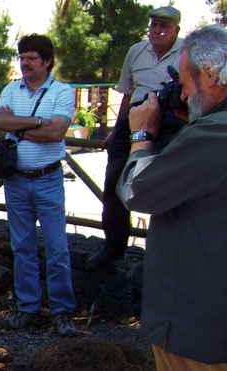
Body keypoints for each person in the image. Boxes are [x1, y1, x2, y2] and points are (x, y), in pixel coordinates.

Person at [117, 25, 227, 369]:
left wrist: (141, 134)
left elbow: (138, 191)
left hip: (196, 329)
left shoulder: (212, 134)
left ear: (209, 76)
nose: (181, 94)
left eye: (185, 82)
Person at [0, 34, 77, 336]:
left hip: (48, 179)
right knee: (22, 247)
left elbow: (58, 133)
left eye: (31, 58)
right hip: (16, 181)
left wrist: (19, 125)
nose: (24, 63)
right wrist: (39, 122)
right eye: (22, 57)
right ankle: (27, 308)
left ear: (47, 61)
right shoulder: (11, 89)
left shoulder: (62, 91)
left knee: (57, 248)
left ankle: (62, 311)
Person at [90, 6, 184, 269]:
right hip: (135, 116)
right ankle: (114, 246)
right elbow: (128, 94)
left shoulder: (187, 52)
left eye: (163, 26)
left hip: (172, 120)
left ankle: (163, 251)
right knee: (115, 181)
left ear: (177, 29)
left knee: (167, 184)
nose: (156, 30)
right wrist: (116, 129)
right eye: (153, 24)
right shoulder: (136, 51)